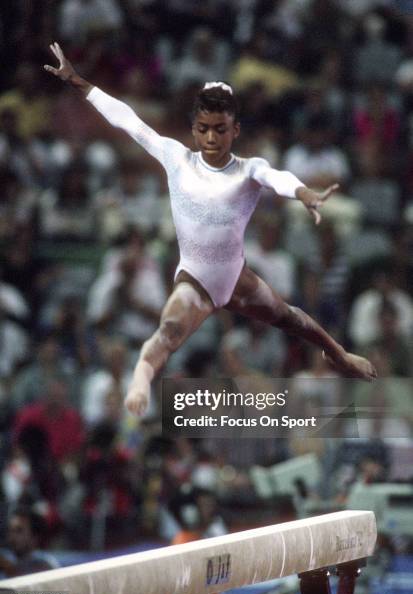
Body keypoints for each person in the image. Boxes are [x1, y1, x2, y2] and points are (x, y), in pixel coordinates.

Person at [44, 42, 377, 416]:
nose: (212, 139)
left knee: (293, 319)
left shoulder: (248, 169)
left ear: (236, 129)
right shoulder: (175, 157)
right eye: (203, 129)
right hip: (195, 279)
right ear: (193, 129)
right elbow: (128, 120)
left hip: (236, 277)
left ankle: (339, 354)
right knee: (170, 329)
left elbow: (277, 176)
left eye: (220, 130)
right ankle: (141, 375)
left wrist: (303, 193)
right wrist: (79, 83)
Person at [0, 507, 59, 577]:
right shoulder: (6, 558)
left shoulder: (44, 563)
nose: (12, 537)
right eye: (10, 531)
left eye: (19, 531)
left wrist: (10, 569)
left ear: (34, 536)